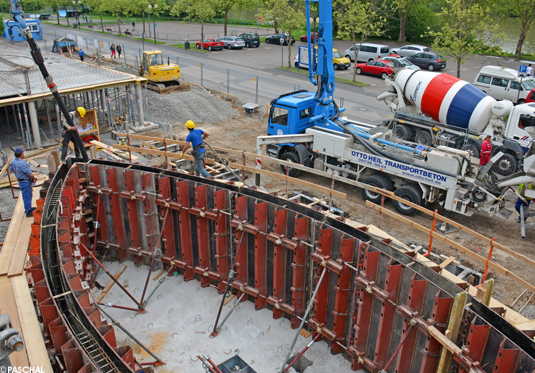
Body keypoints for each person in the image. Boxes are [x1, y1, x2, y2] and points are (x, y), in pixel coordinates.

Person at [10, 148, 37, 218]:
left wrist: (18, 173)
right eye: (23, 152)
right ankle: (28, 211)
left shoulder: (13, 161)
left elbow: (12, 170)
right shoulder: (23, 163)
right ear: (21, 154)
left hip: (20, 181)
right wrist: (34, 178)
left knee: (25, 195)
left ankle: (29, 208)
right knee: (27, 196)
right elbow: (29, 174)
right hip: (25, 181)